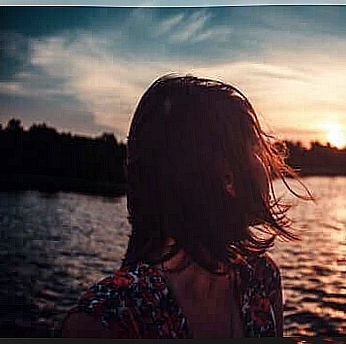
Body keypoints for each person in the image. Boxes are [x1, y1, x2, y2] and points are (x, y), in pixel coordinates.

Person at [61, 74, 314, 339]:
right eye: (255, 149)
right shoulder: (107, 321)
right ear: (226, 177)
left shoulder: (262, 278)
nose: (268, 164)